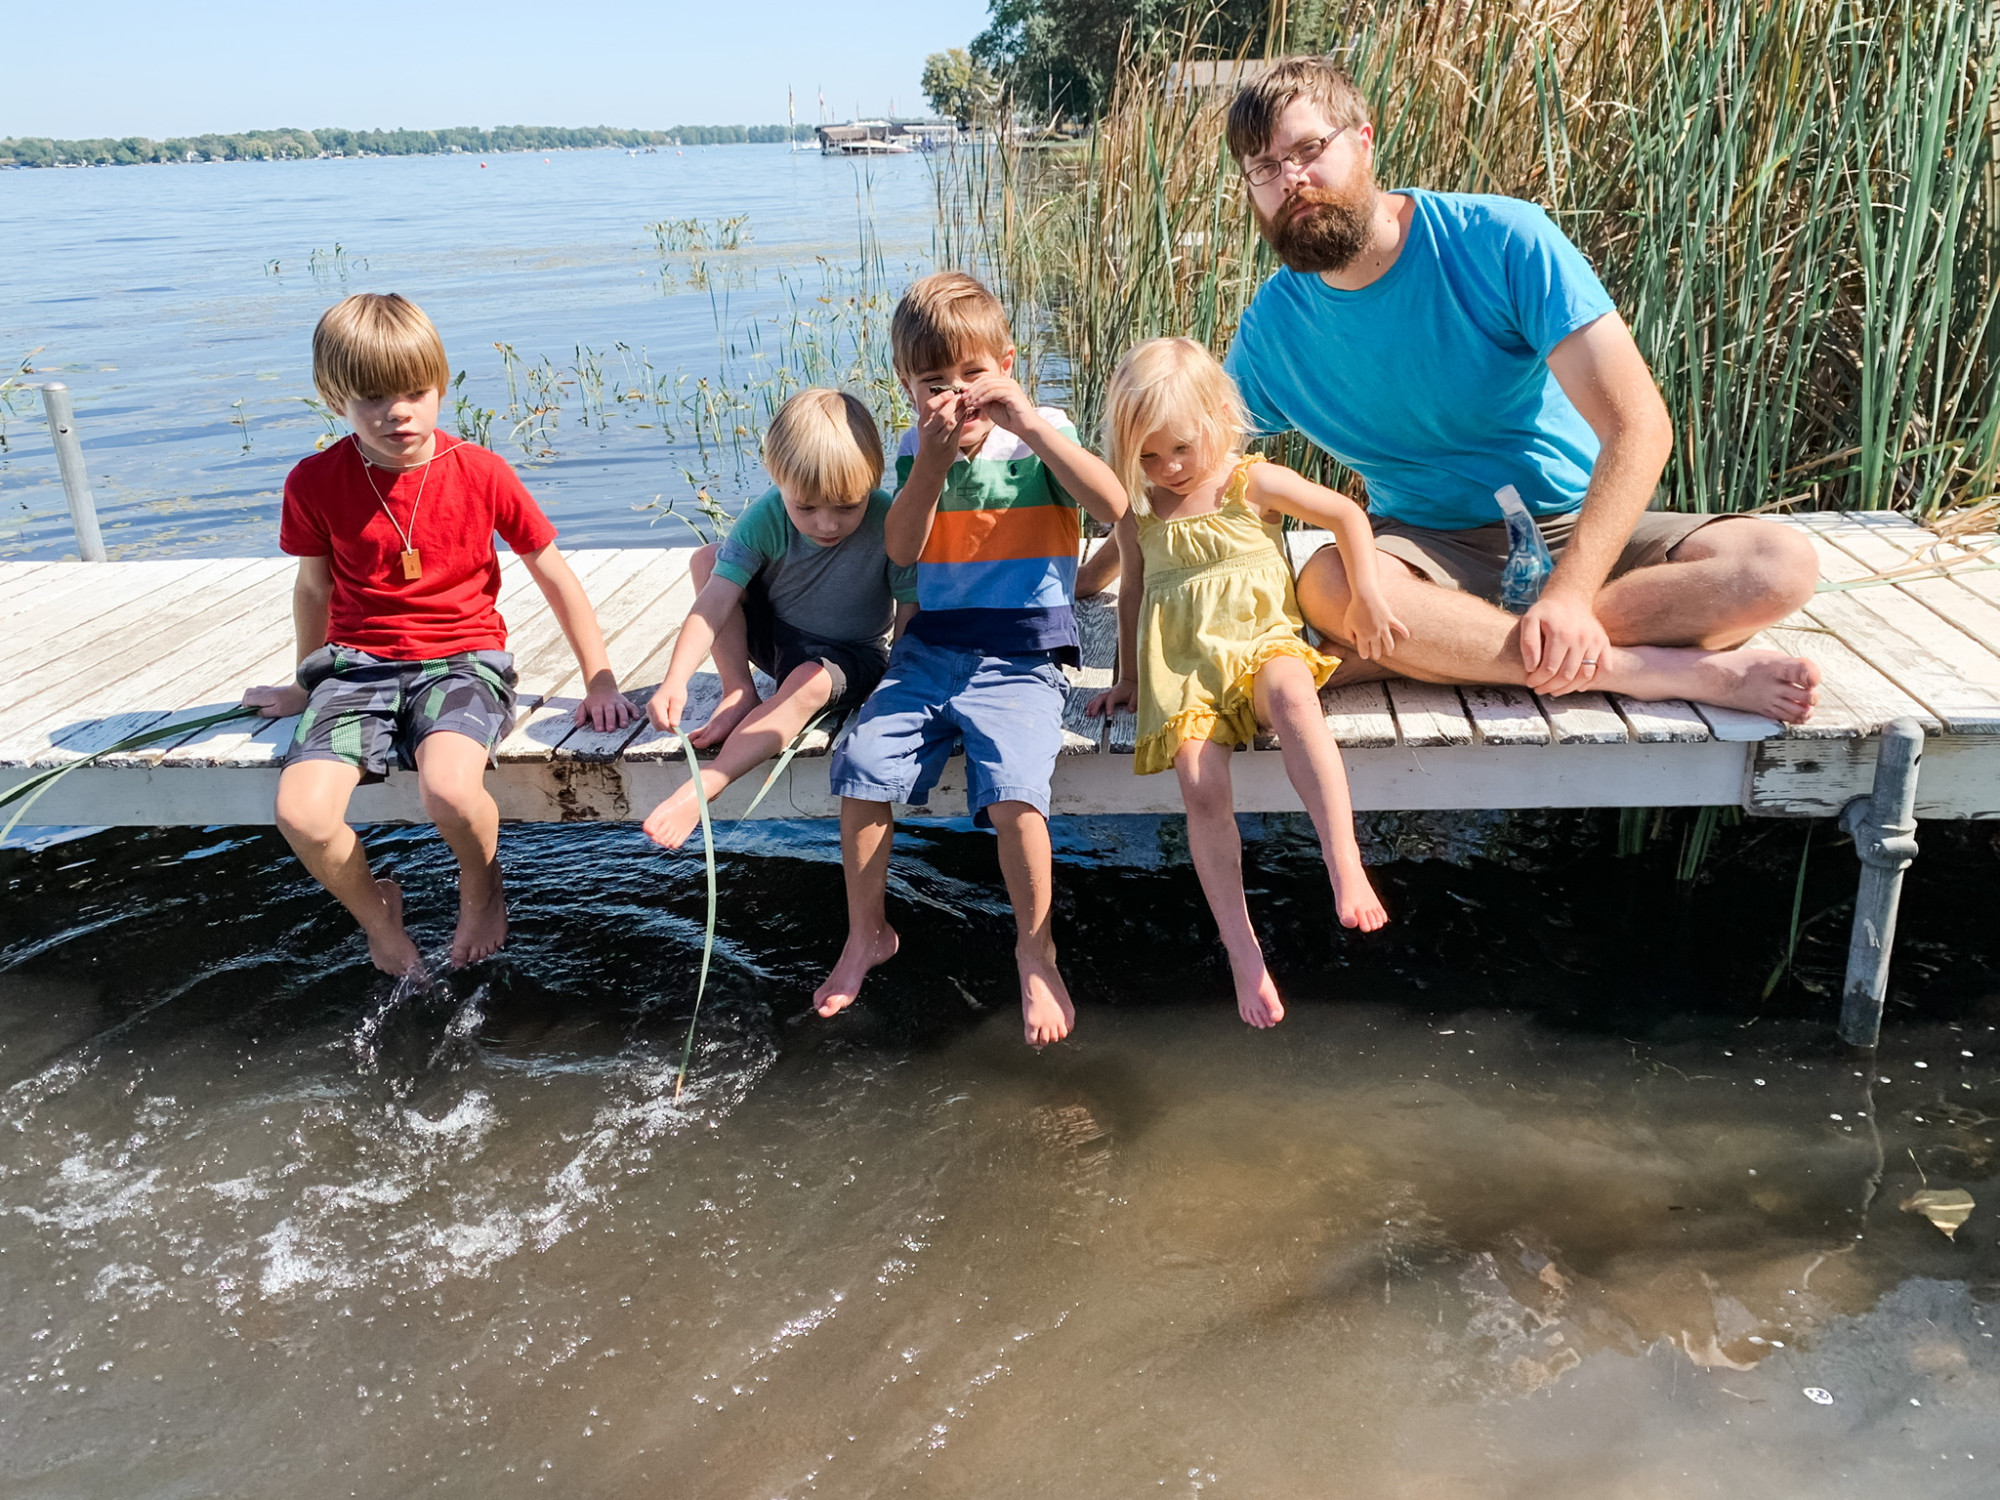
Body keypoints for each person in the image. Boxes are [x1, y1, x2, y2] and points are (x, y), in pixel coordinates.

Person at [1210, 57, 1823, 722]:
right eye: (1264, 169)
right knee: (1328, 583)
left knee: (1774, 566)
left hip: (1573, 527)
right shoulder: (1274, 328)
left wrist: (1568, 594)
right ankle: (1638, 671)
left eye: (1308, 149)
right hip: (1424, 548)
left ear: (1363, 141)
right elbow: (1199, 457)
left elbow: (1639, 424)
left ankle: (1428, 649)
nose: (1291, 180)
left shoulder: (1502, 240)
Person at [242, 293, 637, 976]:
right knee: (302, 814)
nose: (396, 412)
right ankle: (379, 919)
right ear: (334, 398)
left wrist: (598, 676)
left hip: (462, 663)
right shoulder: (314, 481)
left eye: (414, 392)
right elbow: (314, 587)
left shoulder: (479, 471)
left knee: (450, 790)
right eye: (370, 398)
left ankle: (482, 890)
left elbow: (554, 574)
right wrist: (305, 682)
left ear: (441, 384)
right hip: (357, 668)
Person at [812, 271, 1128, 1046]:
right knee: (860, 766)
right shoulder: (921, 449)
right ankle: (867, 932)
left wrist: (1036, 426)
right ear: (908, 388)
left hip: (1023, 653)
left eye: (973, 374)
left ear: (1008, 367)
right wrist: (929, 463)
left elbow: (1115, 506)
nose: (957, 393)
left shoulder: (1041, 431)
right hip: (934, 648)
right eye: (933, 382)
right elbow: (901, 549)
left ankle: (1036, 950)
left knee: (1015, 791)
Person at [1086, 339, 1394, 1028]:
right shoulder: (1140, 515)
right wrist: (1130, 680)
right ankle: (1242, 948)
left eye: (1181, 450)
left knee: (1292, 694)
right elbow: (1129, 592)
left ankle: (1342, 858)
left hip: (1262, 645)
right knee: (1198, 778)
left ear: (1221, 417)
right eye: (1149, 457)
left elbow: (1346, 517)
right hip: (1186, 673)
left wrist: (1368, 594)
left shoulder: (1249, 481)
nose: (1166, 468)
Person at [639, 388, 917, 850]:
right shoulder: (766, 516)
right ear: (778, 481)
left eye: (847, 506)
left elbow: (911, 612)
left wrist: (899, 689)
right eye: (806, 507)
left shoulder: (890, 520)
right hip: (781, 639)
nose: (826, 524)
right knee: (710, 560)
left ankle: (707, 785)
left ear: (872, 481)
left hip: (852, 657)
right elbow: (713, 604)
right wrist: (675, 680)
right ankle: (738, 691)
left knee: (808, 682)